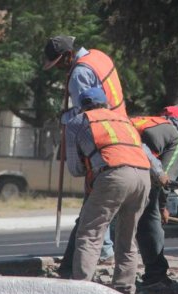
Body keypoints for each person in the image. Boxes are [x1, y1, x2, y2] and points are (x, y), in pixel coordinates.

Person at [64, 87, 159, 294]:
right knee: (127, 236)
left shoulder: (77, 122)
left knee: (90, 233)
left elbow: (75, 169)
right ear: (106, 104)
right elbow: (147, 154)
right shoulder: (124, 120)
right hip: (143, 176)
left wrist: (90, 163)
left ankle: (81, 286)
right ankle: (125, 287)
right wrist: (160, 175)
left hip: (114, 175)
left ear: (82, 107)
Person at [44, 35, 126, 265]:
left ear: (69, 55)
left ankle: (103, 251)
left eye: (60, 62)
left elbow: (85, 113)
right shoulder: (98, 56)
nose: (60, 68)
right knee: (110, 200)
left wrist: (64, 118)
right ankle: (108, 249)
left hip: (101, 135)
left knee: (95, 194)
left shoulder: (79, 74)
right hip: (119, 126)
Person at [129, 105, 178, 288]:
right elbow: (164, 179)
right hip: (140, 173)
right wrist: (162, 207)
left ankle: (70, 268)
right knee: (150, 220)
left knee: (93, 222)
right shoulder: (175, 135)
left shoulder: (141, 122)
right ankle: (155, 275)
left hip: (109, 169)